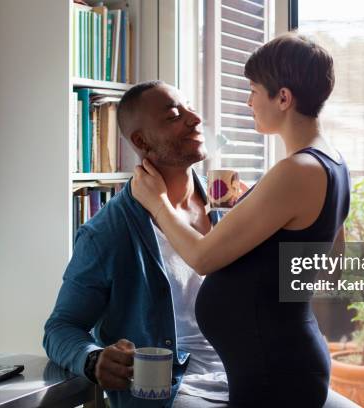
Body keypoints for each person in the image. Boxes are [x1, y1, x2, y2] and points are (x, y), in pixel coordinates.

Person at [132, 34, 350, 408]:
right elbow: (329, 265)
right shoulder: (331, 162)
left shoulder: (296, 170)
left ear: (283, 98)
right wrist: (257, 211)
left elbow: (202, 258)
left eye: (253, 90)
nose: (248, 101)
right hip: (280, 363)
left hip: (275, 372)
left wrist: (158, 203)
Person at [43, 80, 230, 408]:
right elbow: (60, 327)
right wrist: (93, 358)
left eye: (189, 108)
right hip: (176, 393)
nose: (194, 119)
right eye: (174, 116)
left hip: (248, 375)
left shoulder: (227, 202)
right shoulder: (106, 234)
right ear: (141, 141)